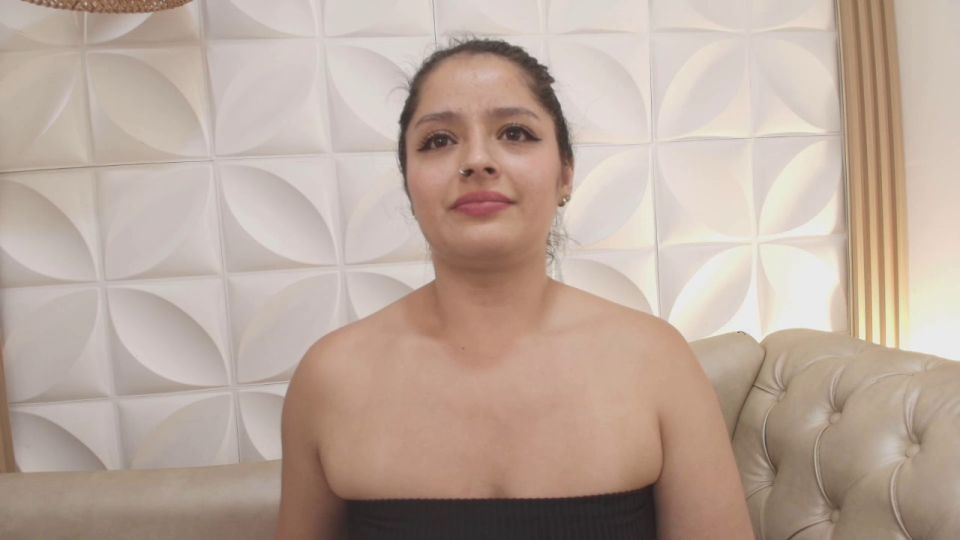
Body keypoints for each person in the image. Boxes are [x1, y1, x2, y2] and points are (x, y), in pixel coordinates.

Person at [276, 37, 754, 540]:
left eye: (515, 132)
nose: (477, 160)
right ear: (409, 184)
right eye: (438, 140)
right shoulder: (330, 378)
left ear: (565, 174)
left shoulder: (657, 362)